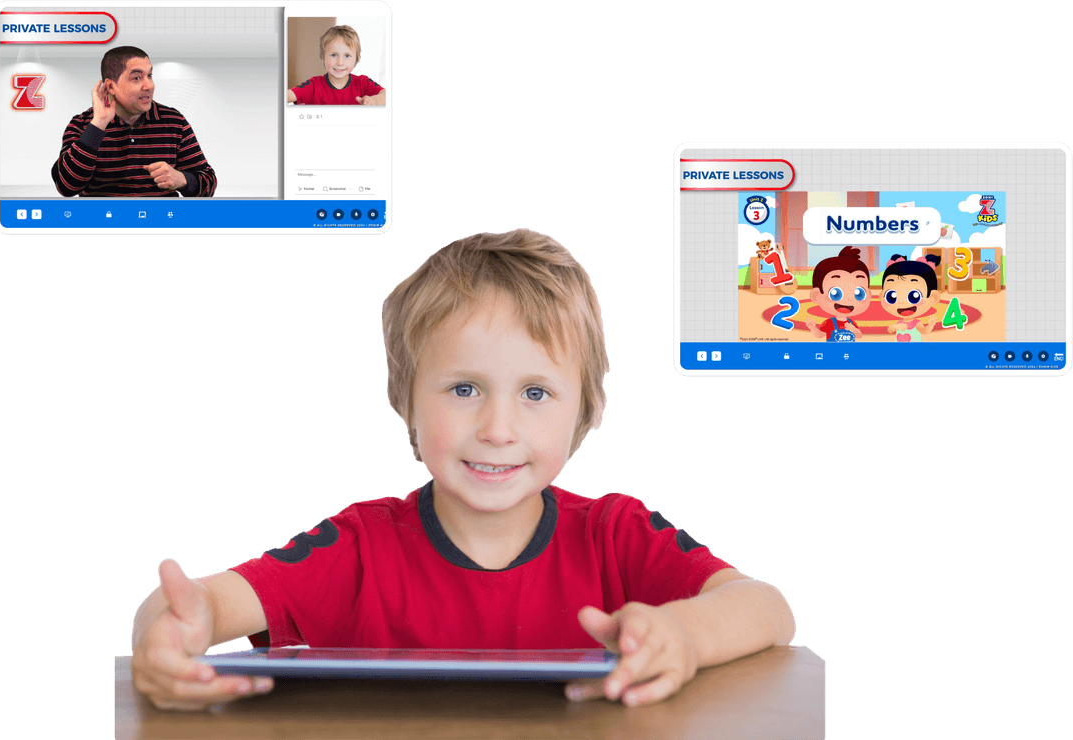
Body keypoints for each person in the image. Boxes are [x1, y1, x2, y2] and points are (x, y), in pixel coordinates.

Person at [129, 229, 796, 710]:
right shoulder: (361, 545)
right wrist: (165, 630)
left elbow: (768, 608)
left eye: (535, 394)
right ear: (406, 401)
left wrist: (680, 635)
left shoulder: (615, 534)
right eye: (464, 389)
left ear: (583, 411)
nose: (498, 430)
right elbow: (203, 604)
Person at [51, 46, 217, 197]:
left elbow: (209, 182)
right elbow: (66, 187)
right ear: (110, 87)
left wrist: (182, 179)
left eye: (149, 75)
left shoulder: (174, 121)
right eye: (137, 78)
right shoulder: (83, 125)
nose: (149, 85)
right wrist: (99, 124)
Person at [286, 25, 386, 105]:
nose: (340, 63)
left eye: (347, 55)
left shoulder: (363, 83)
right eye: (334, 55)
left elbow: (387, 96)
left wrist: (375, 101)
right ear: (323, 56)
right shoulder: (313, 86)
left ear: (356, 58)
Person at [805, 246, 871, 341]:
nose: (849, 300)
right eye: (835, 293)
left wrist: (854, 330)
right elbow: (820, 335)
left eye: (859, 293)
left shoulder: (851, 322)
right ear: (816, 295)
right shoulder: (829, 323)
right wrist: (812, 328)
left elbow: (859, 335)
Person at [881, 257, 944, 341]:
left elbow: (924, 331)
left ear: (933, 297)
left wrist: (931, 325)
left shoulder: (916, 323)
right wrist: (895, 327)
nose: (901, 302)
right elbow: (889, 330)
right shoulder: (900, 323)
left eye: (914, 297)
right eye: (891, 296)